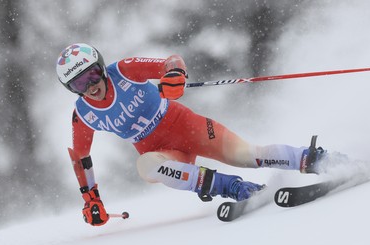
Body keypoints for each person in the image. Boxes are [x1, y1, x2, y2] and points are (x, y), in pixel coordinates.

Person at [56, 43, 325, 226]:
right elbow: (80, 157)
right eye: (78, 83)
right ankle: (232, 187)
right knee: (148, 167)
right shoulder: (84, 114)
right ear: (71, 89)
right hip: (163, 153)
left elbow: (170, 62)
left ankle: (312, 159)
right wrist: (91, 199)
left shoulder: (124, 70)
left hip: (186, 126)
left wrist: (174, 75)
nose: (90, 86)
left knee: (247, 156)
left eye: (91, 75)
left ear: (101, 68)